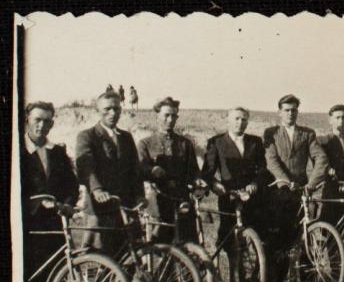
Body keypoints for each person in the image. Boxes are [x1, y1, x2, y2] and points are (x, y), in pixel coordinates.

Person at [21, 101, 80, 282]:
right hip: (29, 223)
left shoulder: (57, 152)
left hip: (56, 221)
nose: (42, 125)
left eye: (47, 121)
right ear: (27, 120)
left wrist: (67, 203)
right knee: (32, 269)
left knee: (60, 268)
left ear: (53, 123)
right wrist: (36, 204)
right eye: (37, 119)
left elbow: (71, 185)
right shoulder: (18, 151)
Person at [75, 91, 146, 255]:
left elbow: (135, 170)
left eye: (116, 108)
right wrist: (97, 189)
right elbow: (85, 166)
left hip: (126, 207)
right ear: (97, 111)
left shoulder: (126, 137)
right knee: (99, 260)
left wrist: (140, 196)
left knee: (129, 258)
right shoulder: (87, 136)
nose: (113, 113)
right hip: (100, 209)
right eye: (107, 109)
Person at [202, 107, 269, 261]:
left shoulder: (255, 142)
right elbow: (208, 171)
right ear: (228, 120)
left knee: (255, 237)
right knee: (228, 238)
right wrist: (214, 184)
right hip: (228, 197)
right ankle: (228, 275)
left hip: (252, 197)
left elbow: (262, 168)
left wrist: (255, 183)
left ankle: (255, 277)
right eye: (236, 119)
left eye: (244, 119)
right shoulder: (216, 142)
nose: (240, 123)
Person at [264, 94, 330, 245]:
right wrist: (286, 182)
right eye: (286, 110)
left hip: (301, 191)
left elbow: (321, 158)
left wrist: (312, 184)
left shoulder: (307, 133)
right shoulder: (271, 133)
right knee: (279, 237)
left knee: (304, 234)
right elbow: (271, 161)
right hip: (279, 191)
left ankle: (303, 266)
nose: (290, 113)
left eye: (293, 110)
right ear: (279, 112)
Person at [136, 96, 200, 243]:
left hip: (181, 198)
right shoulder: (145, 143)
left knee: (188, 243)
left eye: (174, 116)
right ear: (157, 117)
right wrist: (152, 170)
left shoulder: (185, 143)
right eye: (166, 115)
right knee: (159, 243)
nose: (170, 120)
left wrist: (198, 180)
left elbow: (194, 171)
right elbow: (140, 169)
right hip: (158, 199)